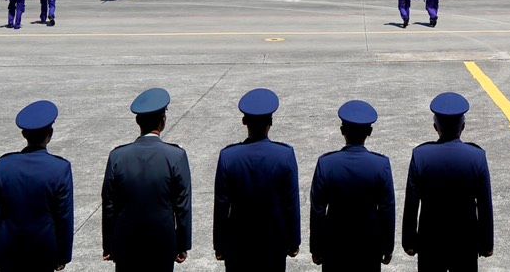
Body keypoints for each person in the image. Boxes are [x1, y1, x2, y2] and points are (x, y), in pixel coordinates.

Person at [102, 87, 193, 271]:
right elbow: (182, 205)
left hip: (126, 243)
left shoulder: (117, 157)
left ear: (138, 121)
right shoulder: (176, 156)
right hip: (163, 243)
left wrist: (110, 244)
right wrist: (182, 243)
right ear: (163, 121)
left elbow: (109, 205)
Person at [403, 92, 494, 272]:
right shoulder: (477, 156)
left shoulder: (421, 156)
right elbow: (484, 205)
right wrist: (486, 243)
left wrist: (409, 241)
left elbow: (412, 203)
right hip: (465, 240)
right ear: (463, 126)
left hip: (430, 240)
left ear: (435, 126)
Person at [214, 88, 300, 272]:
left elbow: (221, 206)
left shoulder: (228, 157)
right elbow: (291, 203)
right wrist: (294, 241)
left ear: (244, 121)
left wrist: (219, 244)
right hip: (274, 242)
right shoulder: (284, 155)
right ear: (271, 122)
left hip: (238, 244)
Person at [0, 99, 73, 272]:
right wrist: (62, 255)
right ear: (50, 134)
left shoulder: (3, 165)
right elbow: (63, 217)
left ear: (24, 135)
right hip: (43, 251)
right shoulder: (59, 168)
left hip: (9, 251)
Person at [310, 99, 396, 272]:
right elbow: (387, 209)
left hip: (335, 245)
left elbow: (318, 210)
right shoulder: (381, 165)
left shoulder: (326, 164)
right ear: (369, 131)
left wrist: (316, 247)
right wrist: (387, 247)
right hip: (369, 246)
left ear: (342, 130)